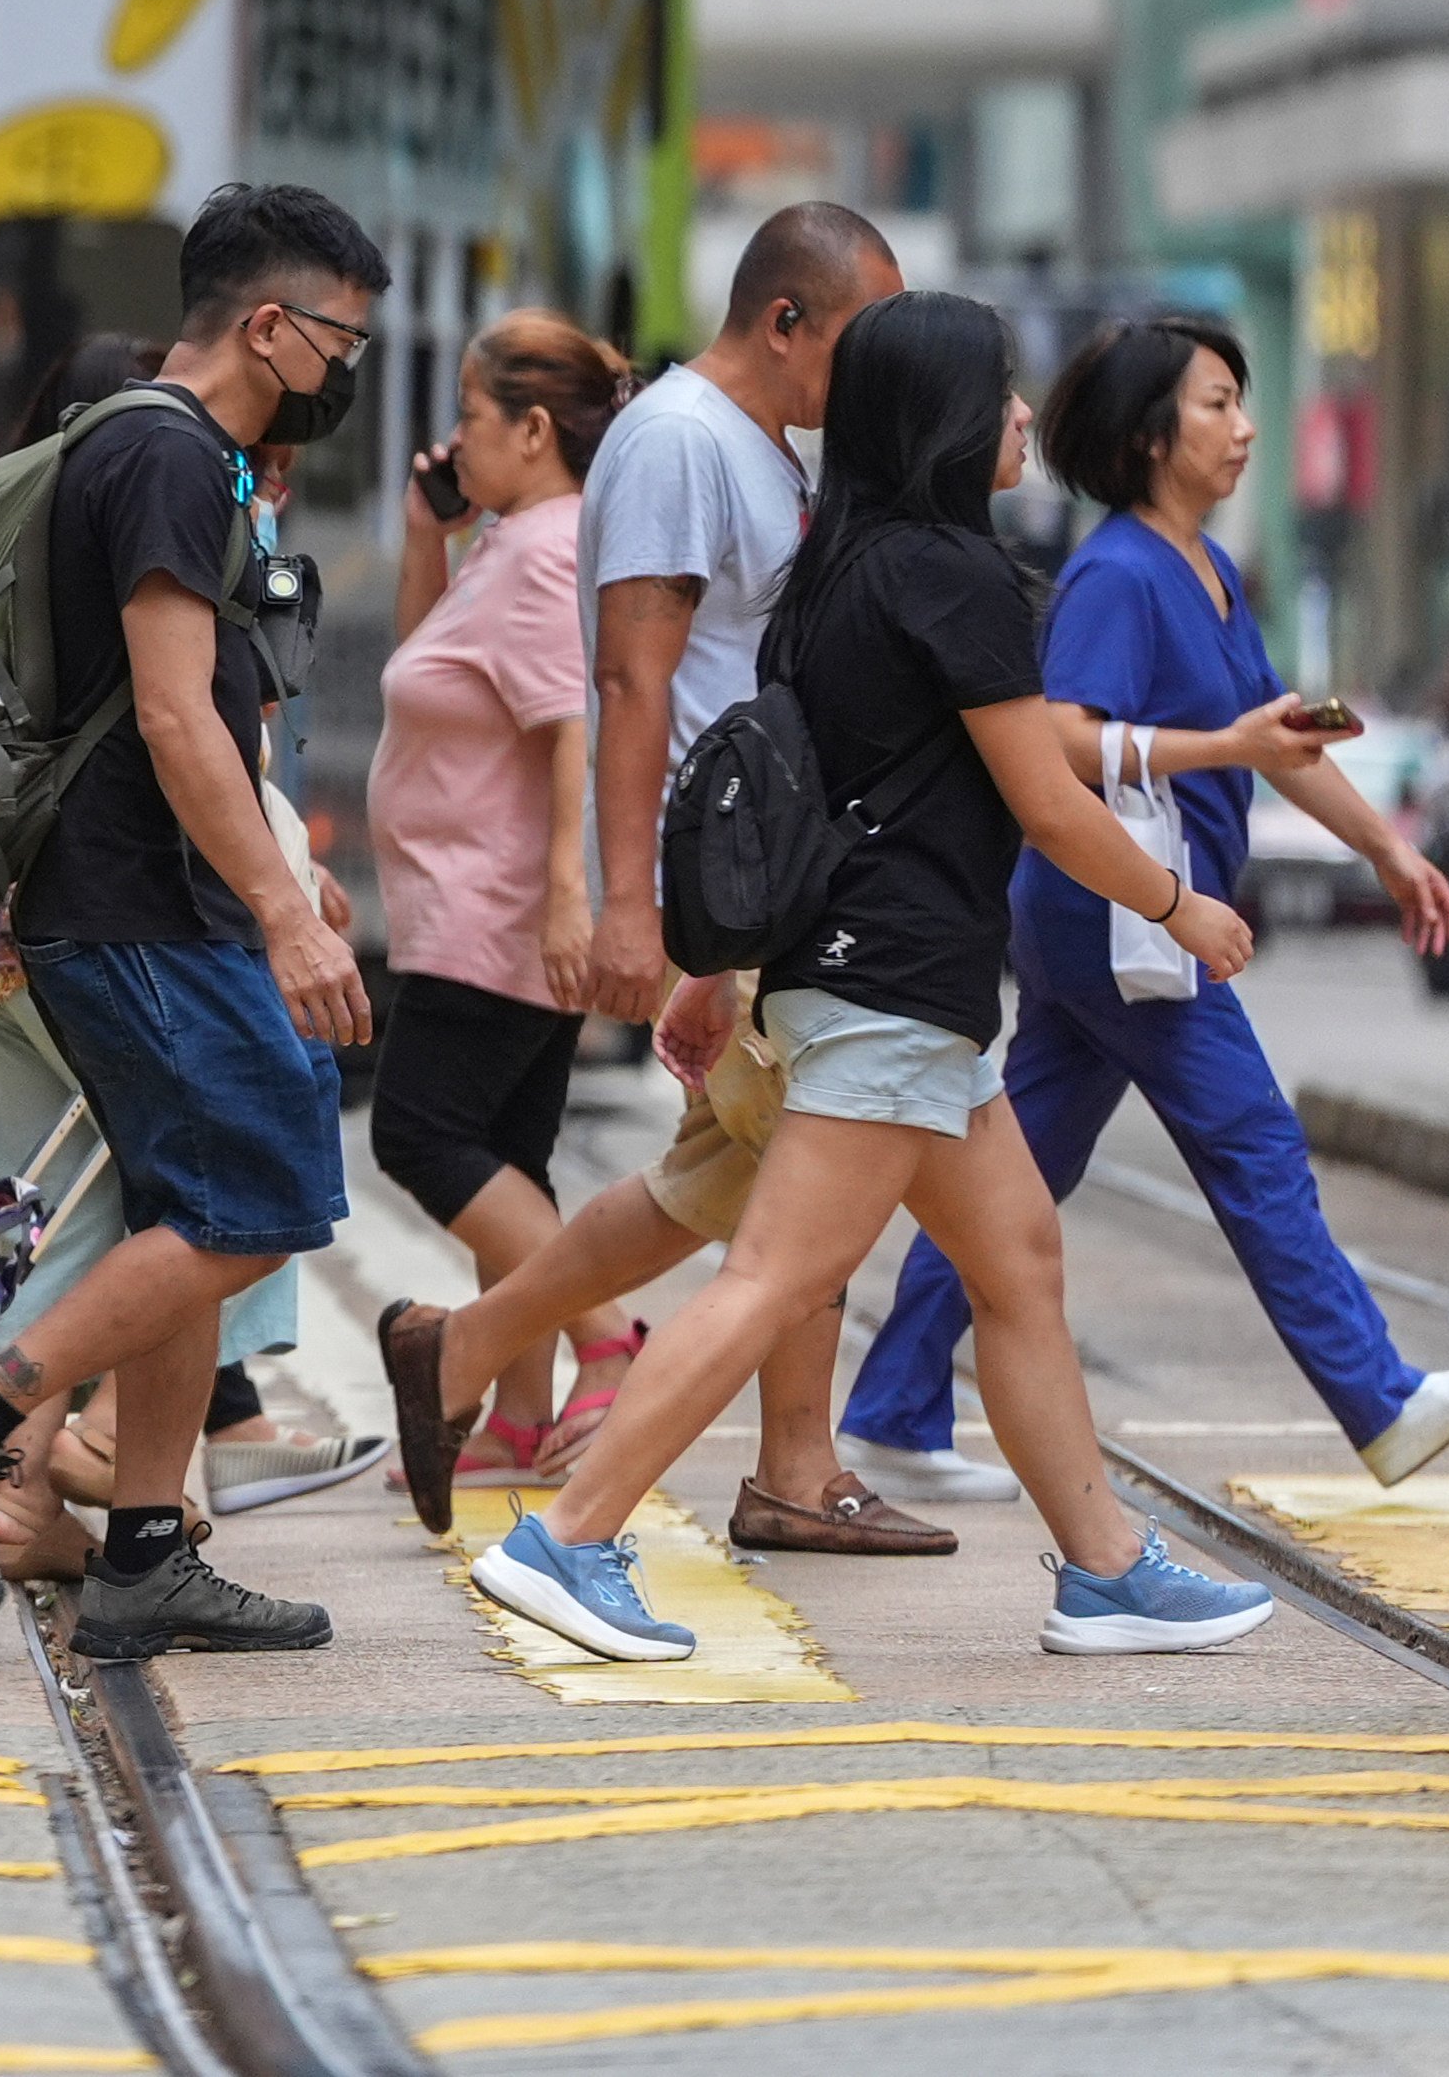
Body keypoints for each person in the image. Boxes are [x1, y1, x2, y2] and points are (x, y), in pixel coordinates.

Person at [476, 293, 1279, 1664]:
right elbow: (1044, 796)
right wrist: (1178, 902)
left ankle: (1105, 1569)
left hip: (880, 983)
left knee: (1018, 1258)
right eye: (1005, 393)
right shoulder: (953, 579)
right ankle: (570, 1533)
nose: (1026, 416)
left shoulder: (833, 568)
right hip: (893, 985)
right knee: (778, 1276)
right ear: (951, 416)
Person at [0, 184, 391, 1664]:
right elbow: (173, 711)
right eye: (340, 340)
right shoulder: (165, 456)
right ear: (269, 325)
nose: (344, 374)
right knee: (262, 1197)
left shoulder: (160, 449)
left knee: (188, 1208)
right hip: (142, 902)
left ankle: (149, 1547)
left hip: (131, 899)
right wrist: (286, 914)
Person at [376, 204, 949, 1561]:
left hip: (773, 877)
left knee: (753, 1180)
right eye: (858, 342)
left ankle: (466, 1353)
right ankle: (769, 1468)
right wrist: (633, 904)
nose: (869, 378)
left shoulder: (757, 452)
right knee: (801, 1173)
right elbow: (631, 675)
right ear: (784, 321)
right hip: (731, 876)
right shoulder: (687, 441)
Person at [843, 313, 1449, 1495]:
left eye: (1240, 403)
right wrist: (1215, 746)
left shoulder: (1209, 568)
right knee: (1255, 1145)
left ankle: (892, 1407)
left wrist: (1387, 851)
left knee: (1017, 1166)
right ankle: (1378, 1400)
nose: (1242, 428)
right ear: (1146, 437)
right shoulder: (1118, 573)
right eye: (1216, 403)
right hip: (1123, 918)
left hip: (1111, 924)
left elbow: (1279, 741)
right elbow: (1065, 738)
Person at [362, 313, 635, 1486]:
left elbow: (573, 724)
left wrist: (571, 899)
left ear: (532, 430)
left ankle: (603, 1336)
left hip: (498, 910)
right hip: (485, 906)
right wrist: (433, 532)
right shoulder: (519, 539)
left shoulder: (539, 550)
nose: (453, 442)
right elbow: (437, 664)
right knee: (505, 1160)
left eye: (470, 419)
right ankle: (520, 1415)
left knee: (419, 1133)